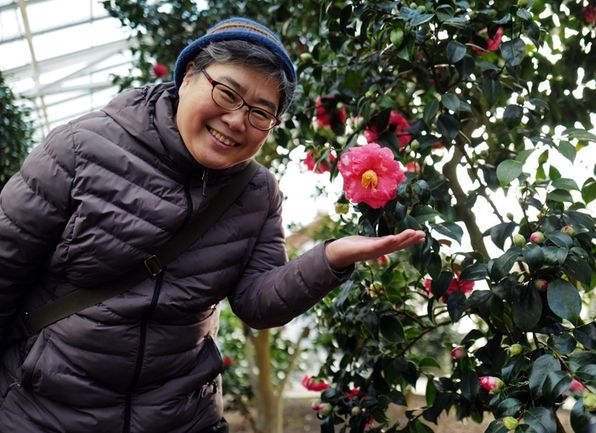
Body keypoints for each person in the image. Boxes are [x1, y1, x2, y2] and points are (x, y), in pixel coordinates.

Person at [0, 17, 425, 433]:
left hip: (181, 416)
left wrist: (329, 259)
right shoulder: (80, 148)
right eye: (227, 93)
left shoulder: (255, 191)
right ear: (187, 77)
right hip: (46, 412)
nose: (238, 120)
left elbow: (257, 302)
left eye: (262, 112)